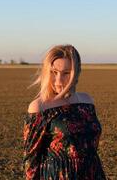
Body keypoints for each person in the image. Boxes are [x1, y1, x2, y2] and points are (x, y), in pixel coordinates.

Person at [22, 44, 106, 179]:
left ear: (77, 73)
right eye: (53, 72)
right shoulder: (40, 108)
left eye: (66, 73)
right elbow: (30, 160)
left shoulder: (87, 101)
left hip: (93, 173)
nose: (58, 80)